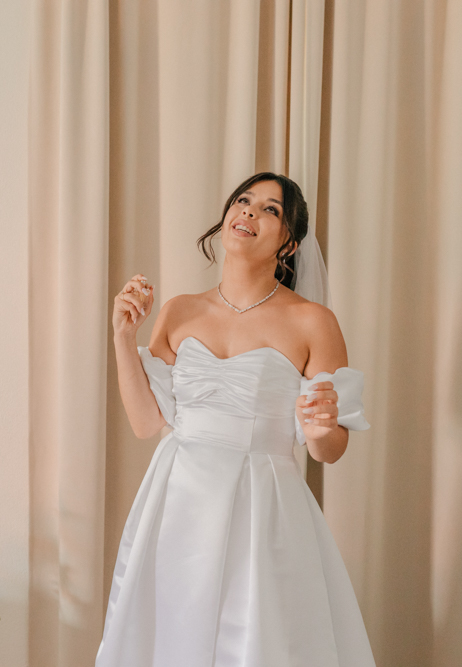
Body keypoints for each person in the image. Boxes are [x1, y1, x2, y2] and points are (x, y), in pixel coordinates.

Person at [96, 172, 376, 666]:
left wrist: (319, 430)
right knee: (171, 635)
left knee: (253, 638)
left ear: (289, 243)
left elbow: (330, 448)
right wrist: (123, 337)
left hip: (261, 505)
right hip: (177, 498)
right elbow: (146, 423)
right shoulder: (179, 310)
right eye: (243, 200)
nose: (249, 211)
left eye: (270, 209)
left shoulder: (313, 322)